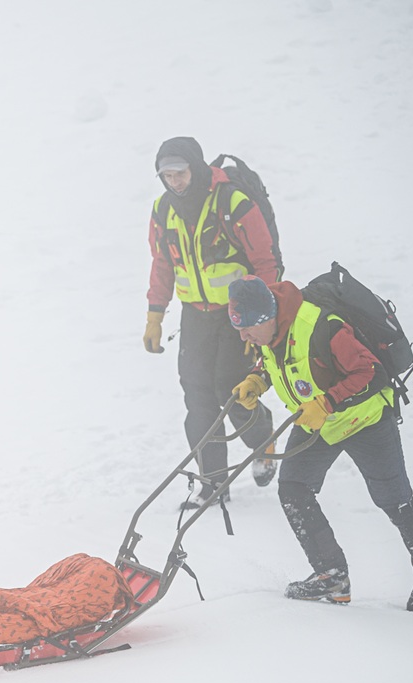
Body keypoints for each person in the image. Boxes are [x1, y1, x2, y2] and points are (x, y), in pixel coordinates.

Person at [226, 277, 413, 612]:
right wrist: (258, 378)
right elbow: (280, 360)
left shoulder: (322, 327)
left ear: (268, 316)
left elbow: (370, 372)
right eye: (237, 328)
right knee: (293, 488)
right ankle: (331, 576)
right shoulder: (269, 331)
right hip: (320, 421)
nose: (243, 336)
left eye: (247, 328)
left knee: (394, 499)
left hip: (365, 418)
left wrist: (327, 403)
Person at [145, 136, 278, 508]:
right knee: (197, 396)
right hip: (195, 314)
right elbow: (162, 264)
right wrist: (155, 315)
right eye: (166, 175)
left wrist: (261, 320)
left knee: (231, 390)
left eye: (180, 172)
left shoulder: (231, 202)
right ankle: (211, 485)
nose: (174, 181)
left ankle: (262, 437)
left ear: (195, 168)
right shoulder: (162, 211)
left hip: (239, 312)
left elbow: (266, 261)